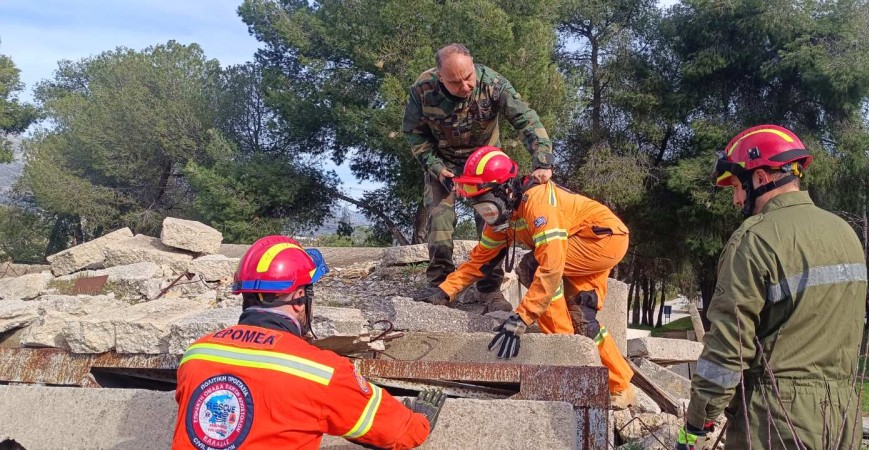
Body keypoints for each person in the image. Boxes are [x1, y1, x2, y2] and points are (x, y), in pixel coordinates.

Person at [677, 125, 868, 449]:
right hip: (843, 417)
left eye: (737, 186)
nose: (736, 199)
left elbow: (728, 347)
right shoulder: (845, 234)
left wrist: (697, 422)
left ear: (762, 178)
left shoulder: (754, 240)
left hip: (776, 422)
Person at [173, 236, 445, 450]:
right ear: (299, 297)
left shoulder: (197, 354)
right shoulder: (321, 372)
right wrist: (418, 423)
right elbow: (396, 432)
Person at [414, 146, 636, 409]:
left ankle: (566, 354)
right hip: (587, 241)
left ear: (505, 189)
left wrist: (522, 317)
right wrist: (444, 291)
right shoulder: (503, 217)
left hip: (601, 241)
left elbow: (551, 267)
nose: (482, 209)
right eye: (476, 200)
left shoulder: (538, 201)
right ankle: (620, 386)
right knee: (583, 320)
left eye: (484, 198)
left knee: (532, 267)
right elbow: (480, 259)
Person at [402, 43, 554, 306]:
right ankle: (441, 285)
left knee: (493, 223)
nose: (465, 87)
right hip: (443, 164)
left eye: (468, 77)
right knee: (439, 221)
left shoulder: (493, 83)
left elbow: (526, 120)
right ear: (440, 77)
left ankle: (488, 288)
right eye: (455, 82)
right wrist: (437, 168)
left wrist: (542, 160)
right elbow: (414, 133)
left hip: (485, 166)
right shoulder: (422, 89)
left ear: (473, 65)